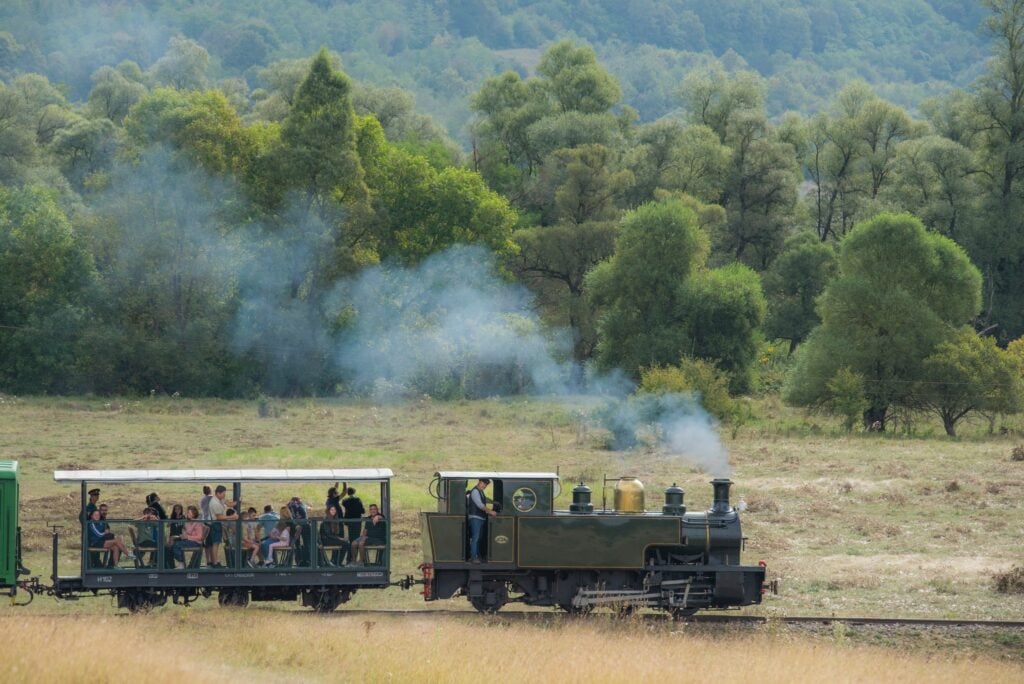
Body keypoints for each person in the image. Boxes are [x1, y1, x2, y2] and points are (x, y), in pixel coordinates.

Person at [466, 478, 497, 563]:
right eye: (484, 484)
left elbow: (485, 499)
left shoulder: (480, 491)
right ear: (479, 482)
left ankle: (478, 556)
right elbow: (480, 504)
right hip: (475, 517)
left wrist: (494, 502)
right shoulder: (475, 491)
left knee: (479, 538)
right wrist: (490, 511)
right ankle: (473, 557)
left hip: (480, 518)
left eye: (486, 485)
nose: (485, 486)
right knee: (475, 538)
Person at [207, 485, 238, 568]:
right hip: (215, 524)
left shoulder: (220, 499)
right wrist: (232, 517)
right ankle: (215, 563)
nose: (224, 495)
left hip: (218, 523)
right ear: (218, 493)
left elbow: (229, 504)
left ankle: (215, 562)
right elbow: (219, 517)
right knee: (215, 543)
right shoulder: (214, 503)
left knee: (216, 543)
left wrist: (238, 501)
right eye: (223, 494)